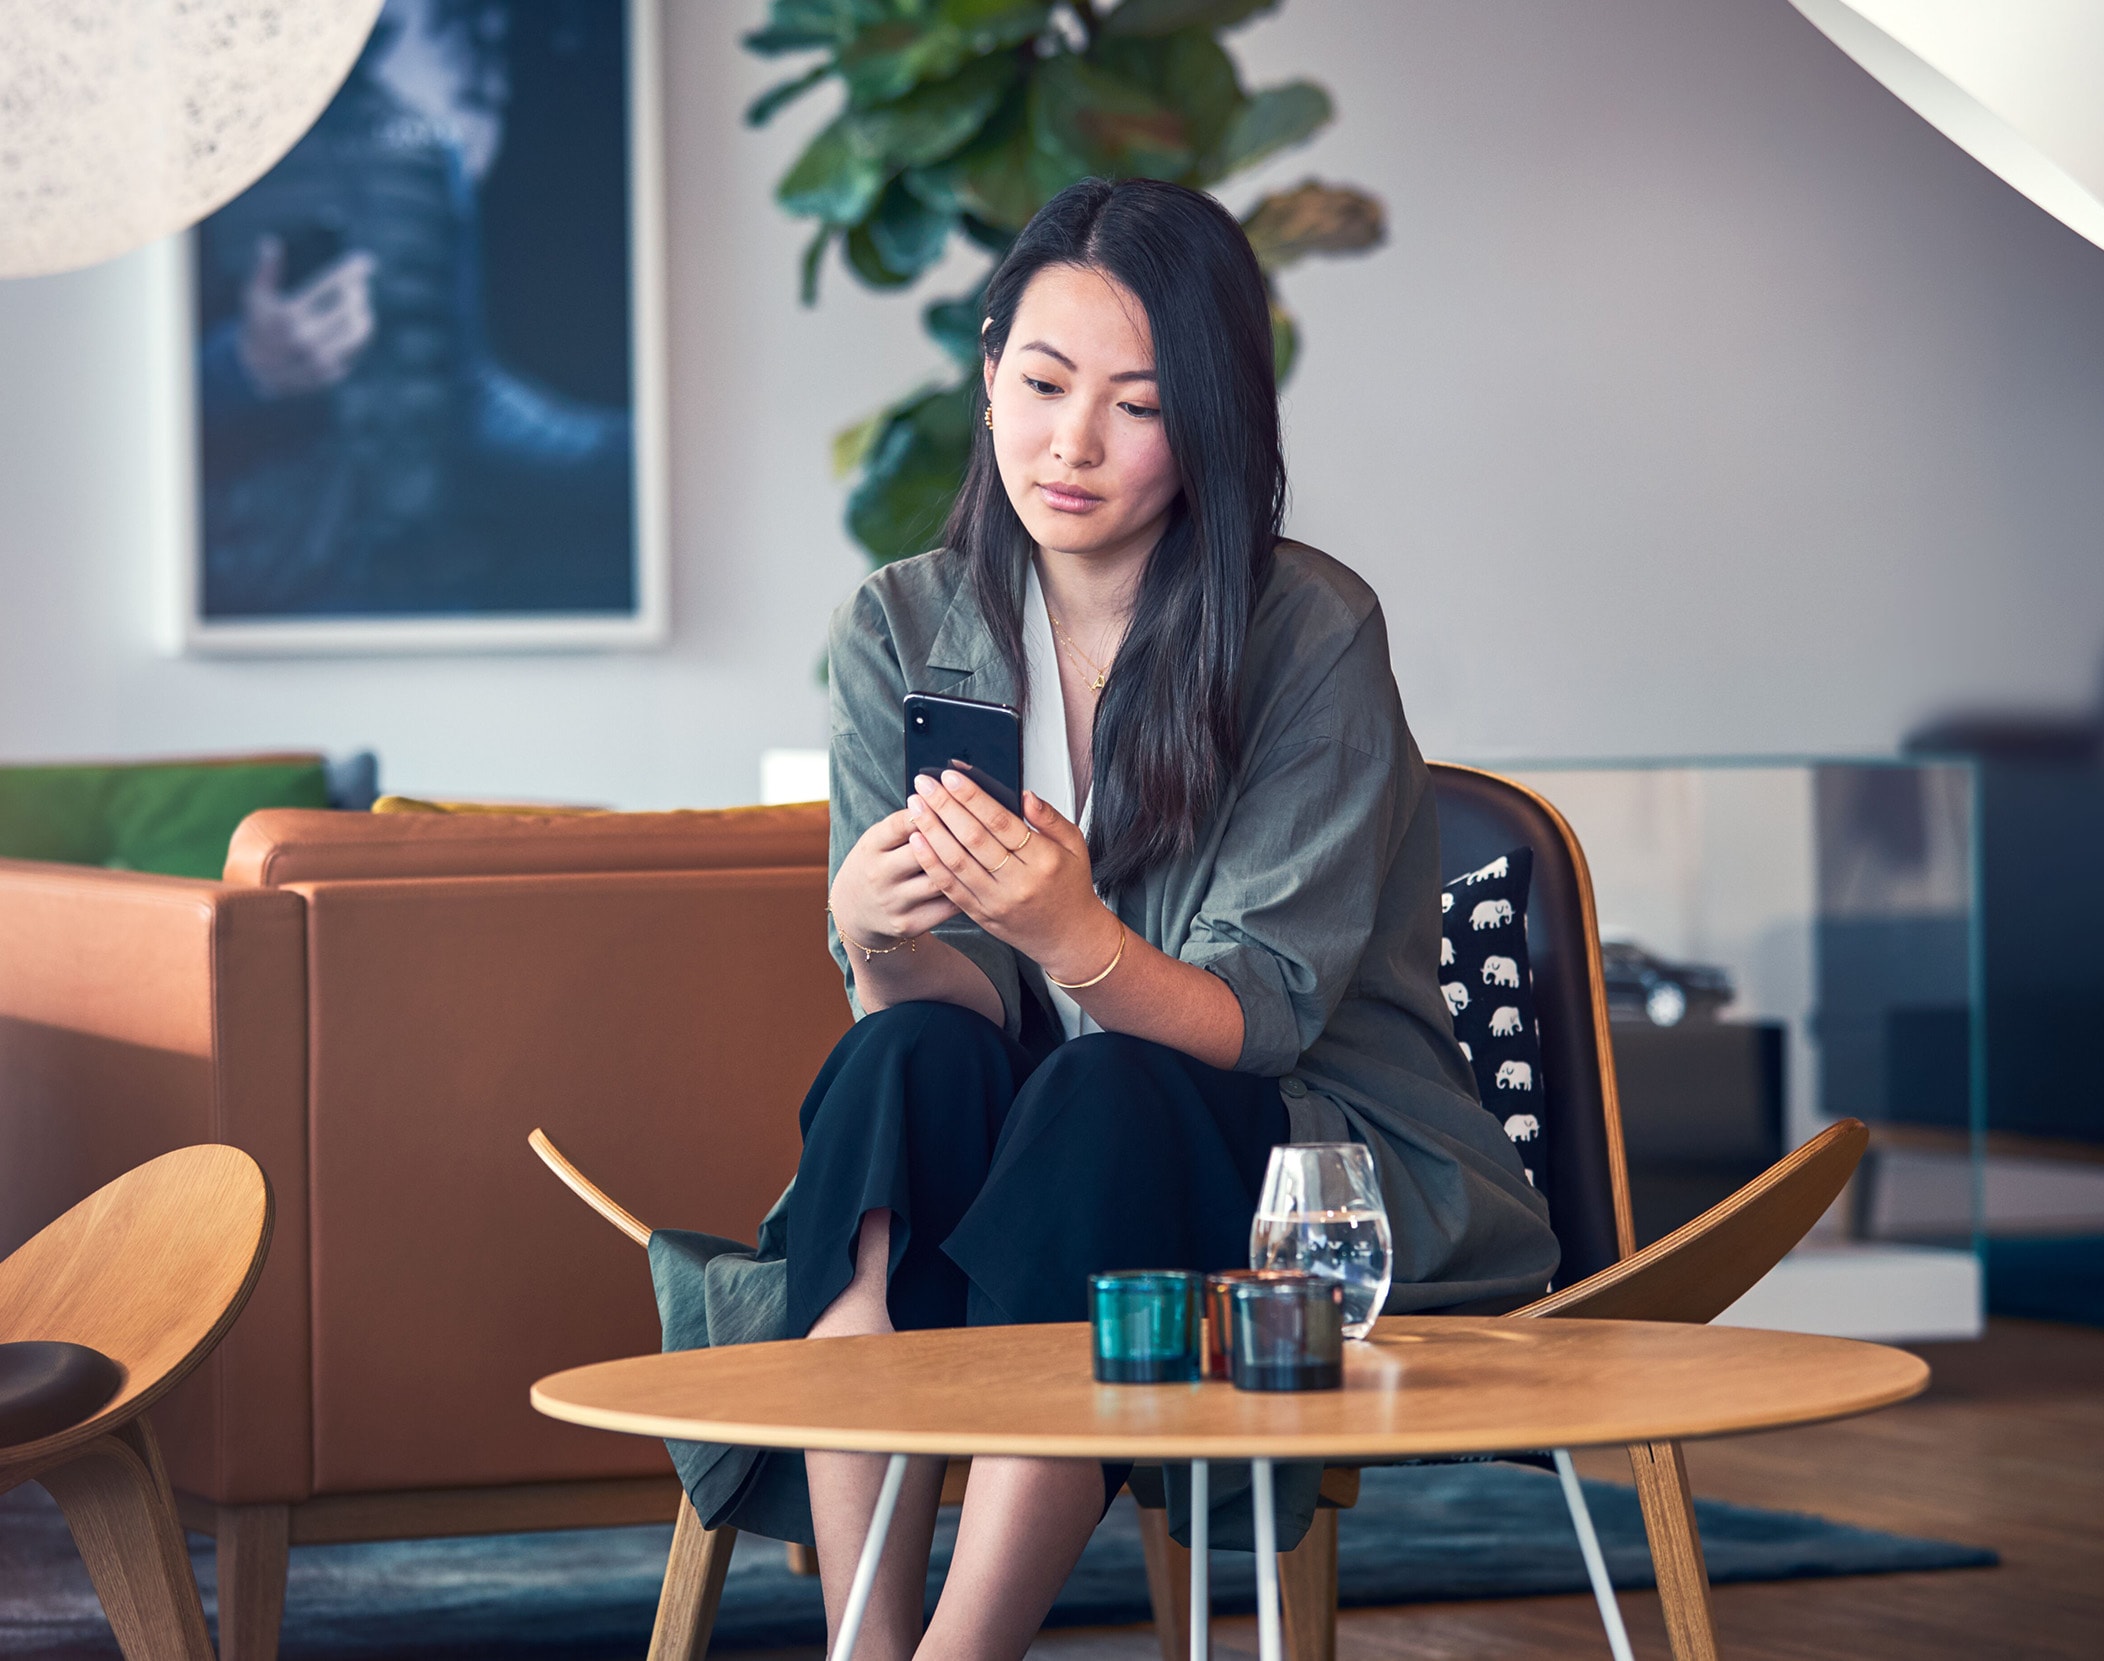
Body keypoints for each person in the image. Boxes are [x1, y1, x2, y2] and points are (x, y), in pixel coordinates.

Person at [660, 175, 1558, 1661]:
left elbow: (1254, 1018)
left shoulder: (1308, 634)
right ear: (990, 369)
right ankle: (866, 1649)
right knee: (896, 1068)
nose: (1071, 443)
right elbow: (935, 1024)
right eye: (1042, 381)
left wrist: (1073, 930)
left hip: (1307, 1175)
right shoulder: (901, 625)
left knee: (1109, 1088)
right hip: (1045, 1153)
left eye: (1136, 406)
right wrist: (879, 937)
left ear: (1210, 425)